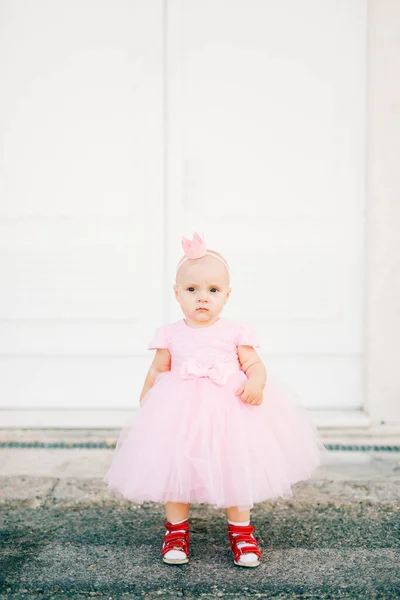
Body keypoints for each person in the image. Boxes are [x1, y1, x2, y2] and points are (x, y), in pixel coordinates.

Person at [103, 231, 327, 568]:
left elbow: (253, 364)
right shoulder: (170, 333)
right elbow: (157, 369)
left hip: (231, 412)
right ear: (177, 293)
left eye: (212, 290)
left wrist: (257, 383)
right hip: (179, 414)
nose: (202, 297)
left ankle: (241, 530)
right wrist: (148, 399)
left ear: (227, 294)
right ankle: (176, 530)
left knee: (235, 468)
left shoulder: (235, 331)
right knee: (176, 470)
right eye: (192, 290)